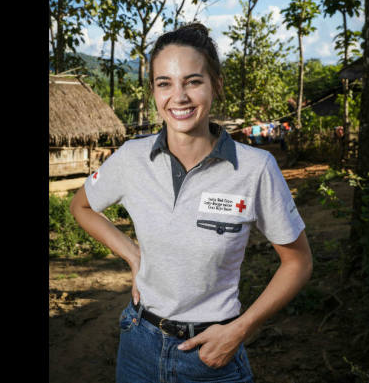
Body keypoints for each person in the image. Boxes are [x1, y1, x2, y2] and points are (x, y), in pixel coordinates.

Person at [70, 23, 313, 383]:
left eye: (193, 81)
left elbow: (298, 261)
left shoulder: (255, 168)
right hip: (139, 342)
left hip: (212, 354)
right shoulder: (132, 158)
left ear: (215, 84)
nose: (178, 97)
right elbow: (82, 207)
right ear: (153, 90)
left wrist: (240, 330)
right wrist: (134, 255)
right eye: (164, 83)